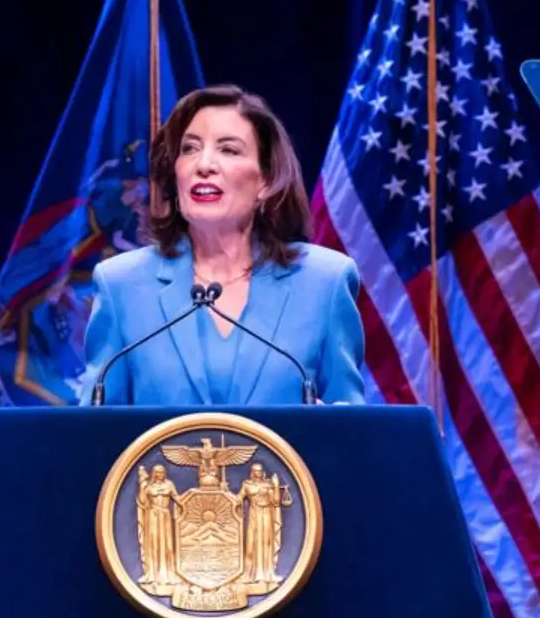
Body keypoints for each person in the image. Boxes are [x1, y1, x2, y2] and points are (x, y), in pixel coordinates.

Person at [78, 84, 365, 407]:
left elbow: (350, 422)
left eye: (229, 150)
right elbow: (95, 428)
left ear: (266, 181)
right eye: (189, 148)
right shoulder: (121, 285)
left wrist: (328, 427)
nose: (204, 165)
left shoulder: (324, 282)